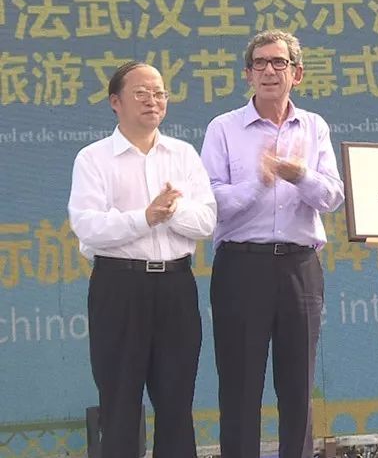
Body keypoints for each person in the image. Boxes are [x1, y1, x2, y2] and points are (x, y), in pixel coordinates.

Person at [200, 29, 344, 458]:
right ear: (247, 74)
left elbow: (332, 196)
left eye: (279, 62)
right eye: (259, 63)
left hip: (300, 267)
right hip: (241, 266)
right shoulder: (223, 128)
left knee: (298, 387)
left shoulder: (314, 127)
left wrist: (299, 175)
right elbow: (210, 202)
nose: (269, 71)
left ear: (296, 74)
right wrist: (259, 183)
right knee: (240, 386)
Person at [68, 61, 217, 458]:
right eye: (141, 93)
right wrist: (145, 218)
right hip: (119, 286)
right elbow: (88, 226)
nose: (153, 100)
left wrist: (171, 210)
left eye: (159, 92)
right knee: (119, 404)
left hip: (175, 286)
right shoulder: (94, 159)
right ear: (115, 102)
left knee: (176, 404)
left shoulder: (183, 155)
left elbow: (206, 221)